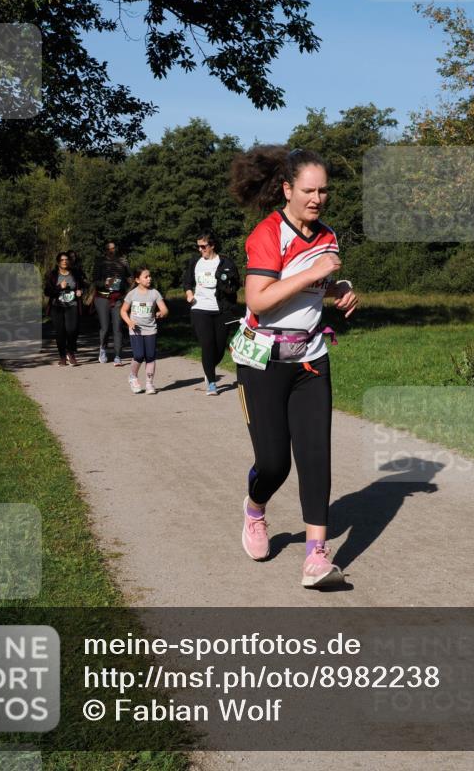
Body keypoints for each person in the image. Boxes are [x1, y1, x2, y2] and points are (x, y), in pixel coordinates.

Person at [229, 146, 358, 589]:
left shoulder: (328, 236)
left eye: (324, 191)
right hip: (262, 361)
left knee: (315, 455)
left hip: (311, 358)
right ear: (287, 189)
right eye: (308, 190)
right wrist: (313, 275)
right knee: (273, 463)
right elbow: (259, 300)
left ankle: (316, 557)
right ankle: (255, 509)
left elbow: (313, 286)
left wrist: (337, 288)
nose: (317, 199)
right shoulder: (268, 233)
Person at [182, 230, 240, 395]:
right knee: (207, 344)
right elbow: (187, 282)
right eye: (198, 247)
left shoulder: (226, 263)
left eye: (203, 246)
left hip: (221, 310)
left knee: (220, 348)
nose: (200, 250)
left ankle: (208, 369)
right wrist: (189, 294)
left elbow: (235, 285)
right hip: (200, 309)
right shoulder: (195, 262)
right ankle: (212, 382)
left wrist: (225, 284)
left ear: (212, 245)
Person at [120, 267, 169, 394]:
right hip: (136, 330)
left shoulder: (154, 293)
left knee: (150, 357)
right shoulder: (132, 294)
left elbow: (165, 309)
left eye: (150, 276)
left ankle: (149, 384)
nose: (149, 278)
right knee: (139, 355)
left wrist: (161, 313)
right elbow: (123, 311)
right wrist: (129, 322)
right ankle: (133, 376)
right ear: (137, 280)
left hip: (150, 329)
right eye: (146, 277)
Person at [92, 241, 131, 365]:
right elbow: (95, 281)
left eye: (113, 248)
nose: (111, 250)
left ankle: (118, 355)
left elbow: (130, 278)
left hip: (118, 298)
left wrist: (128, 268)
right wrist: (105, 283)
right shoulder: (100, 262)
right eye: (109, 249)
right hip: (103, 298)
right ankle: (103, 349)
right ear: (105, 250)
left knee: (118, 327)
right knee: (105, 327)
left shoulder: (123, 262)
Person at [44, 252, 86, 366]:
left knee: (72, 330)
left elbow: (83, 286)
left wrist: (80, 291)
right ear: (58, 262)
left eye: (66, 259)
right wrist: (59, 287)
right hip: (57, 307)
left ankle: (70, 352)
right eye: (62, 260)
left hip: (72, 306)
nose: (64, 261)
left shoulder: (75, 274)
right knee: (60, 332)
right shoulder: (52, 275)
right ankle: (62, 356)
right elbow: (47, 291)